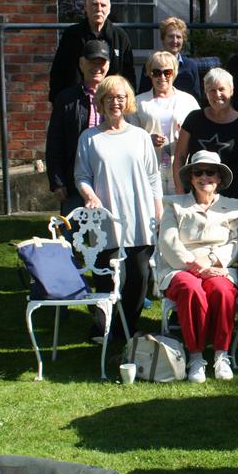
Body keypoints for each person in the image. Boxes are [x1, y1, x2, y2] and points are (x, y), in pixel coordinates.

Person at [74, 75, 161, 338]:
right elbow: (82, 176)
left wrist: (157, 209)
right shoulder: (89, 138)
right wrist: (89, 195)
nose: (116, 102)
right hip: (105, 219)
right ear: (101, 101)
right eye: (110, 97)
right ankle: (104, 327)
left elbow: (153, 176)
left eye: (121, 97)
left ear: (128, 101)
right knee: (107, 278)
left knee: (138, 278)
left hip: (139, 216)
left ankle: (128, 328)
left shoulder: (140, 137)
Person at [157, 150, 238, 383]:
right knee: (190, 289)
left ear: (220, 178)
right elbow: (168, 241)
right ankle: (195, 356)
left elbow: (237, 243)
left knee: (223, 291)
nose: (205, 177)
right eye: (198, 172)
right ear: (191, 178)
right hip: (181, 267)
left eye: (210, 172)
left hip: (218, 266)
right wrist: (195, 266)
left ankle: (221, 355)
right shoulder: (174, 205)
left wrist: (213, 260)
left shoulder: (234, 206)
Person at [46, 40, 109, 217]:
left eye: (101, 62)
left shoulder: (117, 98)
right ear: (81, 64)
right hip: (73, 180)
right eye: (91, 62)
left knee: (106, 239)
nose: (96, 67)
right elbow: (55, 141)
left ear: (108, 65)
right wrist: (57, 181)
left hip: (107, 181)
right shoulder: (66, 99)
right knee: (70, 238)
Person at [175, 68, 238, 200]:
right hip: (195, 197)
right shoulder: (194, 118)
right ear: (206, 93)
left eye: (221, 89)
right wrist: (180, 191)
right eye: (211, 90)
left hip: (232, 199)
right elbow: (180, 156)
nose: (217, 94)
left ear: (232, 91)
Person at [128, 51, 200, 195]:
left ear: (174, 73)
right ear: (149, 73)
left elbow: (200, 134)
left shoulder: (188, 101)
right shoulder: (138, 102)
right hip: (149, 169)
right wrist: (147, 139)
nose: (162, 77)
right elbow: (128, 136)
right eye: (156, 72)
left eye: (167, 72)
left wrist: (185, 138)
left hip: (181, 169)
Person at [49, 0, 135, 103]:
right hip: (76, 103)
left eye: (103, 5)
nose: (99, 9)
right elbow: (59, 71)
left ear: (109, 9)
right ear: (86, 7)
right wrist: (59, 101)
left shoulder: (120, 37)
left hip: (111, 103)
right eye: (94, 4)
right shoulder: (72, 35)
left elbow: (128, 74)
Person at [137, 17, 201, 102]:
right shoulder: (152, 64)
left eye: (178, 37)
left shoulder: (191, 66)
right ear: (163, 39)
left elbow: (196, 98)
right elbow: (143, 95)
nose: (175, 41)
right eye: (171, 36)